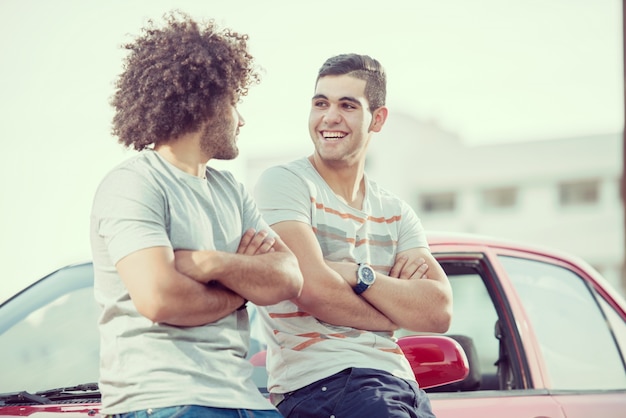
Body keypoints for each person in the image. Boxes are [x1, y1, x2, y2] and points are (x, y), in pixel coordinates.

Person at [89, 12, 303, 418]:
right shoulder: (134, 184)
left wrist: (211, 263)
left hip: (245, 401)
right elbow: (161, 299)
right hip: (165, 400)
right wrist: (245, 285)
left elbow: (289, 277)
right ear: (204, 102)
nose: (242, 119)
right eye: (234, 102)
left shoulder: (231, 191)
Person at [253, 53, 453, 418]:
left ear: (377, 118)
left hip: (401, 386)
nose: (329, 117)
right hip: (322, 386)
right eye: (320, 103)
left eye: (347, 105)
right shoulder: (285, 184)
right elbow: (312, 289)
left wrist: (355, 274)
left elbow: (438, 310)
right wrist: (395, 313)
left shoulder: (397, 212)